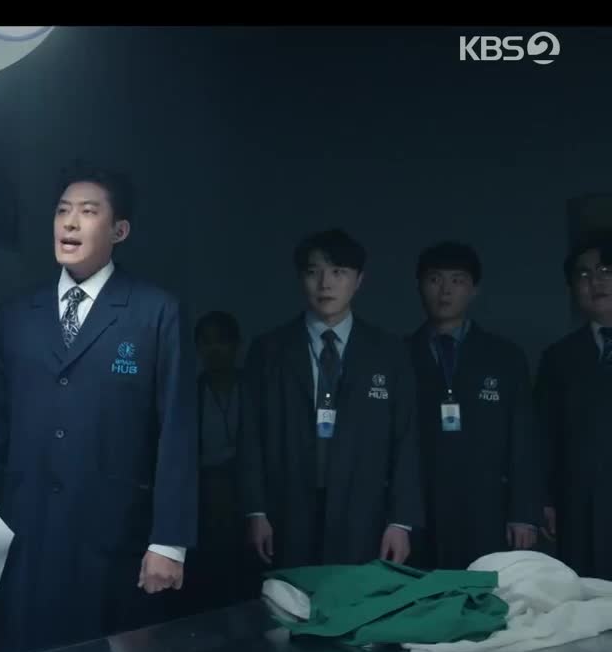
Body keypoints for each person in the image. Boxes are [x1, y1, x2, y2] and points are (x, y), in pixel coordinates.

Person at [0, 163, 198, 652]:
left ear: (119, 231)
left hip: (113, 538)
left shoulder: (155, 312)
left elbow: (177, 433)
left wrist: (169, 541)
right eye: (62, 211)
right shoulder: (18, 315)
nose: (70, 223)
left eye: (88, 212)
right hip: (27, 533)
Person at [238, 228, 422, 570]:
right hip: (286, 508)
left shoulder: (389, 352)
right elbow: (250, 437)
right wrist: (255, 511)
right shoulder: (269, 350)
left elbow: (406, 439)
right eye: (314, 272)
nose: (325, 284)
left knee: (356, 596)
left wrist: (401, 521)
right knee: (288, 596)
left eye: (338, 272)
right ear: (301, 278)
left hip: (364, 510)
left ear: (359, 280)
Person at [406, 242, 543, 571]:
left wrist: (524, 513)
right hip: (420, 506)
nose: (445, 291)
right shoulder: (398, 356)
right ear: (419, 286)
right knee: (421, 591)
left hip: (487, 505)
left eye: (457, 280)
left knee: (485, 591)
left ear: (474, 289)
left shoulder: (505, 357)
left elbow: (523, 439)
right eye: (435, 279)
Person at [534, 230, 612, 580]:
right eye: (584, 274)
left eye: (606, 270)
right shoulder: (558, 358)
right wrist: (545, 498)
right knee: (588, 594)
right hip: (580, 502)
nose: (596, 281)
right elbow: (543, 435)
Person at [183, 311, 252, 610]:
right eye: (206, 342)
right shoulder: (190, 394)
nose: (214, 349)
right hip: (206, 496)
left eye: (222, 341)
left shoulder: (254, 389)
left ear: (236, 344)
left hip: (248, 493)